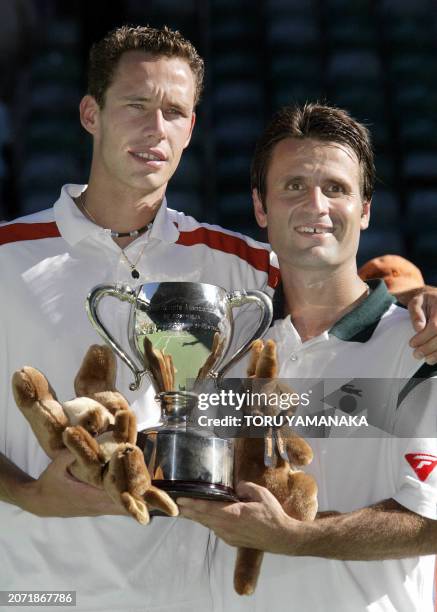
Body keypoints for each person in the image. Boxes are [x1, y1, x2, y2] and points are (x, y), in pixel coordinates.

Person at [0, 24, 436, 611]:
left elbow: (333, 276)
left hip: (190, 597)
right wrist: (30, 495)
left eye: (174, 111)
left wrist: (421, 297)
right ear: (88, 113)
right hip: (44, 596)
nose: (155, 128)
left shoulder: (239, 266)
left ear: (191, 129)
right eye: (136, 104)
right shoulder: (7, 257)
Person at [178, 103, 437, 612]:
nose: (316, 204)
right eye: (293, 185)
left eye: (336, 188)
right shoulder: (223, 346)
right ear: (260, 207)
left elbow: (429, 521)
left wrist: (294, 535)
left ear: (365, 208)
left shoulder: (421, 346)